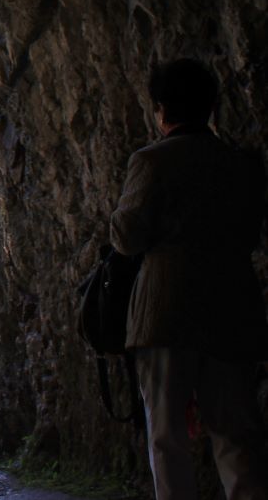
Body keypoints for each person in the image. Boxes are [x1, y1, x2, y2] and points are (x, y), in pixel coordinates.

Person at [111, 57, 268, 500]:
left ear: (161, 109)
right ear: (211, 106)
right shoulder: (242, 164)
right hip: (233, 305)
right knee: (237, 432)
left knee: (167, 436)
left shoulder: (152, 161)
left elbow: (127, 236)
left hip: (166, 311)